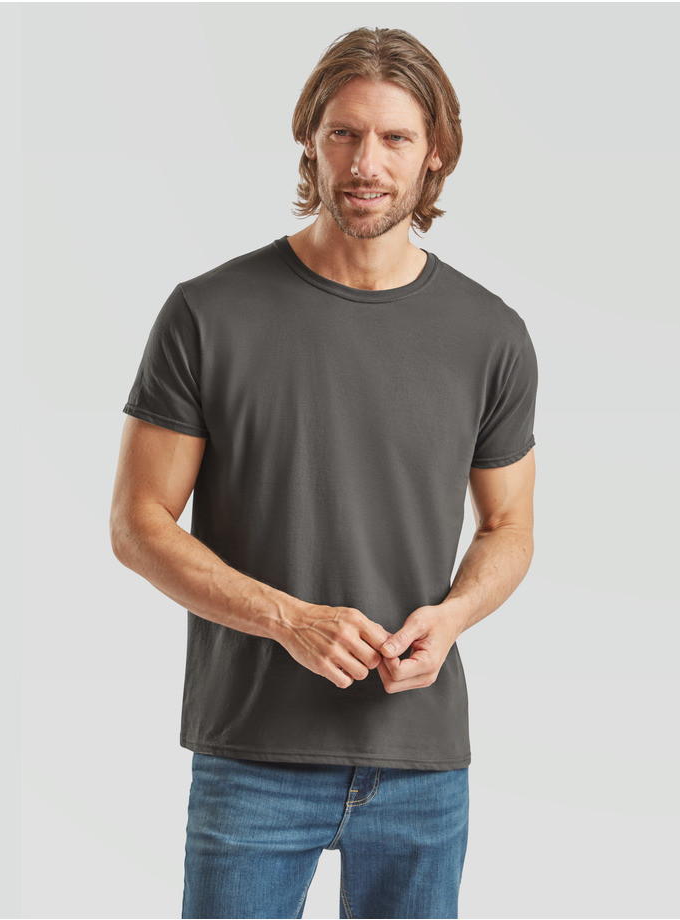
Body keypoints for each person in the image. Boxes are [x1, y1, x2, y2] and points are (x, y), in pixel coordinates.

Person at [110, 25, 538, 920]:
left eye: (395, 138)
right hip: (252, 758)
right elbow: (138, 523)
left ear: (435, 153)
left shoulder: (490, 334)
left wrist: (453, 617)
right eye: (344, 133)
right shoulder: (208, 313)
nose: (365, 164)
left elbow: (508, 526)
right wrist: (288, 620)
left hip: (420, 763)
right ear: (309, 137)